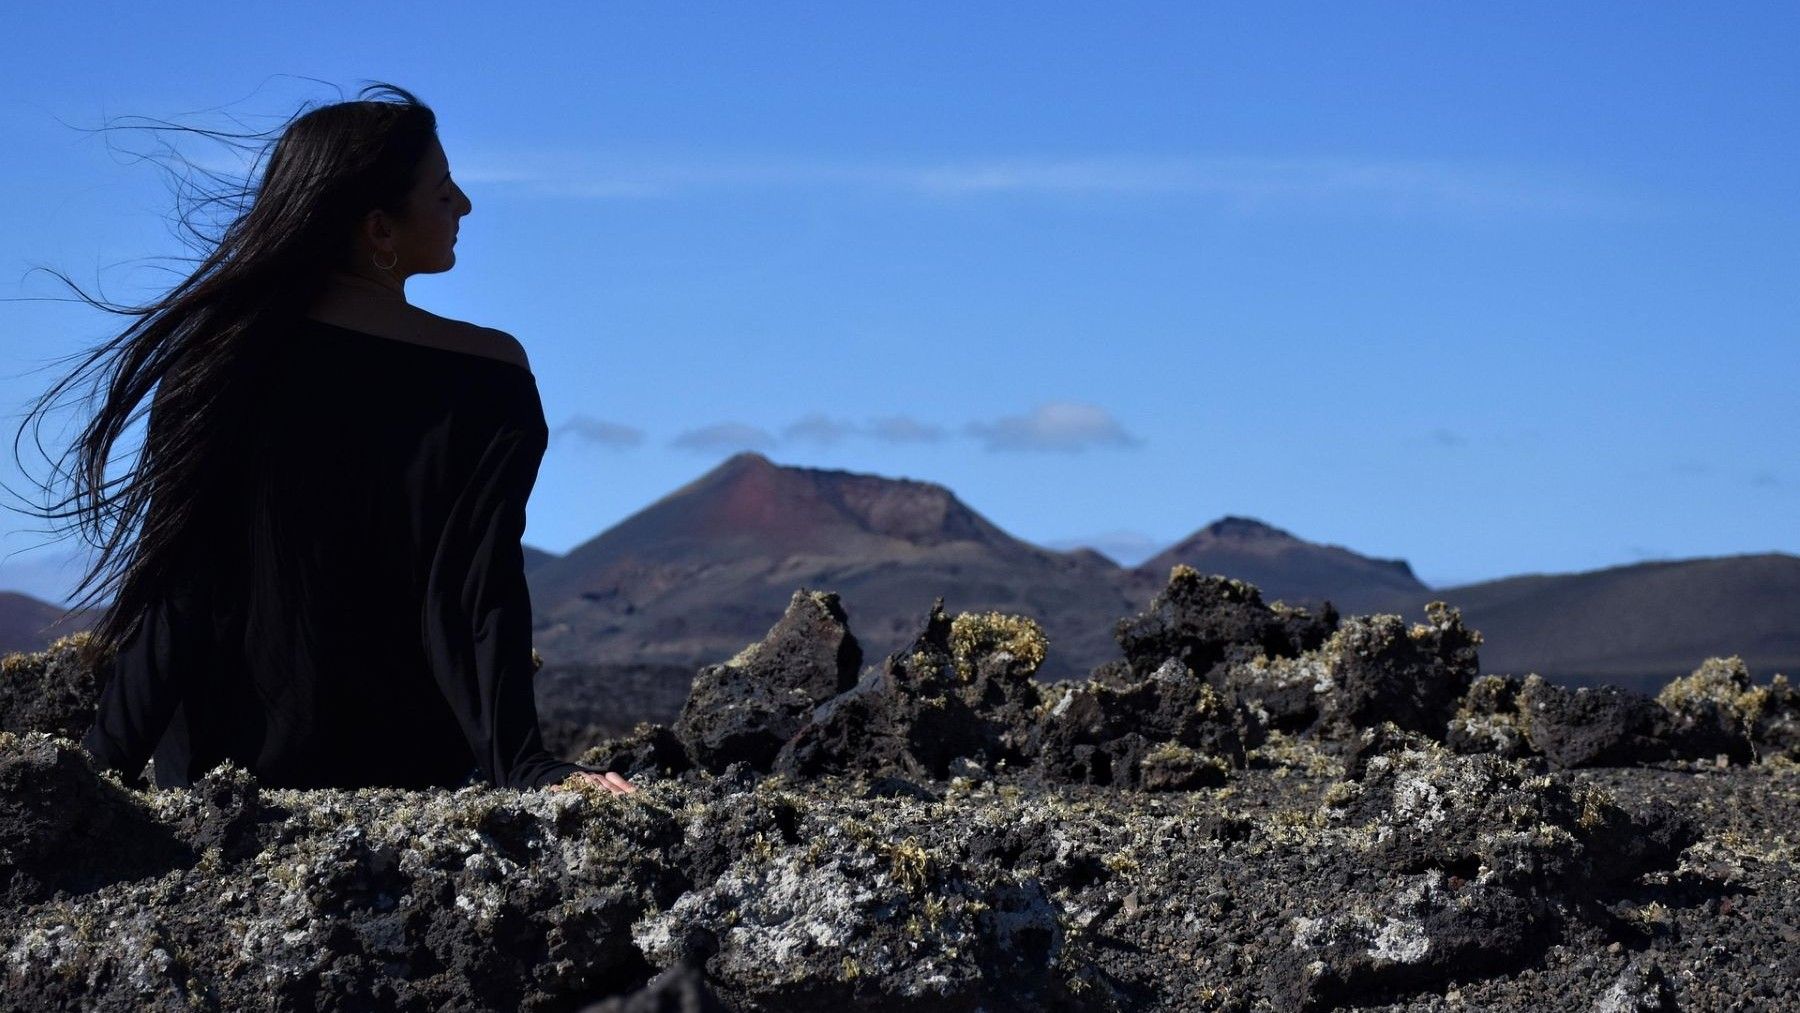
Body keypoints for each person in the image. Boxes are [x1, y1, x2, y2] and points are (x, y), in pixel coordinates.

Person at [12, 83, 633, 796]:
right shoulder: (488, 375)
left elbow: (175, 597)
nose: (463, 206)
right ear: (379, 230)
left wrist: (95, 778)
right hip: (406, 768)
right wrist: (523, 765)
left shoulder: (215, 366)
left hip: (227, 780)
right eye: (443, 191)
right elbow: (475, 592)